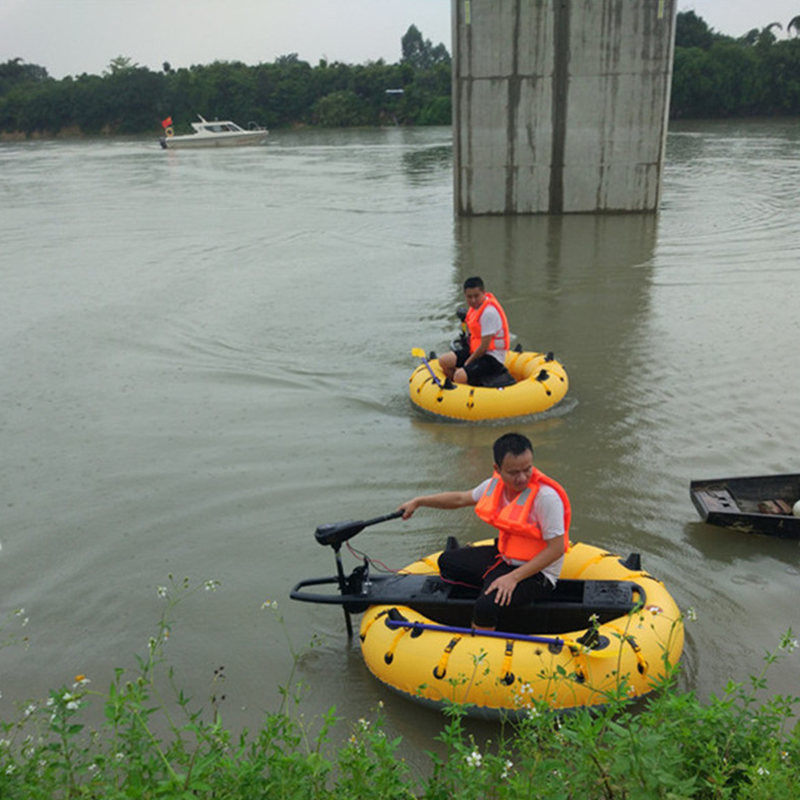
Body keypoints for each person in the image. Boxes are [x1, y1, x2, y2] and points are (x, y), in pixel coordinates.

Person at [398, 433, 570, 630]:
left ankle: (481, 639)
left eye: (527, 469)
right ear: (498, 469)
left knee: (484, 607)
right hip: (504, 558)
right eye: (513, 472)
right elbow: (460, 499)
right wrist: (419, 502)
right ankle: (493, 585)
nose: (522, 478)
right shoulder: (493, 485)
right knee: (447, 562)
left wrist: (513, 578)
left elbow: (556, 549)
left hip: (537, 574)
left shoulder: (546, 498)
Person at [439, 276, 510, 386]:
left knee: (459, 375)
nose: (473, 300)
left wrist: (467, 363)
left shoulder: (488, 313)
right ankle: (457, 387)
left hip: (492, 357)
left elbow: (484, 347)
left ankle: (468, 388)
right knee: (444, 361)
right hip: (475, 350)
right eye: (469, 297)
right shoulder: (474, 308)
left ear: (483, 293)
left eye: (476, 296)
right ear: (465, 296)